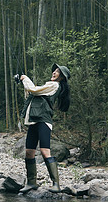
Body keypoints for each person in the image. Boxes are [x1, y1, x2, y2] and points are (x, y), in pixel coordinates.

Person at [18, 64, 71, 194]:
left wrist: (24, 78)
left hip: (43, 121)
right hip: (34, 121)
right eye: (54, 70)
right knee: (29, 152)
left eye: (57, 72)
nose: (54, 72)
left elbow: (34, 89)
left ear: (62, 77)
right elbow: (33, 93)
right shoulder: (50, 85)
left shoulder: (54, 85)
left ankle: (56, 184)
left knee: (44, 151)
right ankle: (31, 183)